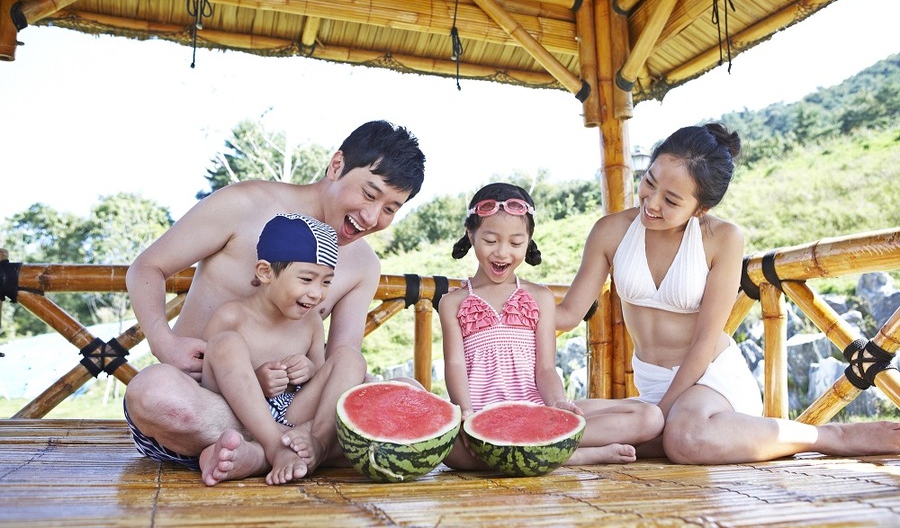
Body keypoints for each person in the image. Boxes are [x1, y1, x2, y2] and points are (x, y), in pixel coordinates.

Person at [556, 123, 900, 463]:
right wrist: (510, 289)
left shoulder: (722, 238)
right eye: (649, 181)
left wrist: (658, 416)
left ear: (701, 209)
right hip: (653, 388)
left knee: (685, 438)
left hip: (711, 379)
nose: (652, 202)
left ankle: (827, 435)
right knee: (562, 418)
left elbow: (705, 340)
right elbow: (568, 313)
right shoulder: (610, 231)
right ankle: (650, 424)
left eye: (672, 200)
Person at [124, 120, 426, 481]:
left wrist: (312, 376)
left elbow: (343, 361)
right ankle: (289, 448)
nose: (372, 217)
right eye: (369, 193)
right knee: (152, 392)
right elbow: (146, 267)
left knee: (409, 395)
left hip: (293, 409)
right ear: (336, 165)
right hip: (202, 401)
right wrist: (164, 342)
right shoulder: (243, 205)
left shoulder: (364, 265)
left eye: (391, 208)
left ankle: (263, 452)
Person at [439, 183, 664, 469]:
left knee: (650, 418)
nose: (502, 252)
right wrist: (468, 414)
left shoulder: (539, 298)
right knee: (454, 453)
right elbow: (455, 366)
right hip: (481, 416)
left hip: (539, 411)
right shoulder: (453, 303)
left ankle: (541, 450)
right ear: (471, 235)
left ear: (529, 241)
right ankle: (576, 455)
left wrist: (558, 403)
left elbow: (545, 369)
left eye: (516, 243)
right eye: (490, 240)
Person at [198, 213, 364, 485]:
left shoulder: (311, 321)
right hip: (240, 415)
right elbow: (212, 377)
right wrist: (257, 380)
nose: (317, 293)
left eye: (326, 282)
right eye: (307, 279)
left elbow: (325, 378)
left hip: (293, 414)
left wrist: (309, 370)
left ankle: (316, 446)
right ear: (266, 272)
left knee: (349, 358)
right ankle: (266, 449)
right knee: (226, 343)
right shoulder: (232, 316)